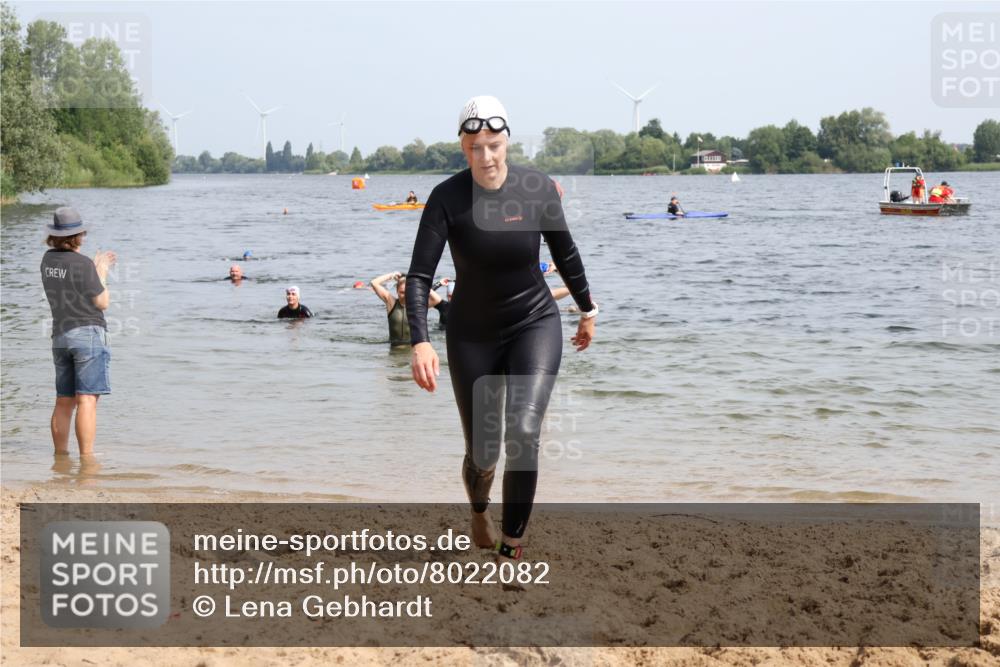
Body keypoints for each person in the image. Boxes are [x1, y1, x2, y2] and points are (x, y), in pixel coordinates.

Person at [406, 95, 597, 560]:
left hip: (534, 321)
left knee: (525, 430)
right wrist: (420, 341)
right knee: (483, 451)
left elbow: (565, 252)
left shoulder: (537, 189)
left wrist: (587, 310)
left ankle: (512, 544)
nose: (485, 157)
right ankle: (478, 508)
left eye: (493, 145)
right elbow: (419, 277)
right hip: (471, 333)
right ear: (462, 148)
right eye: (474, 147)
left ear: (507, 141)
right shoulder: (447, 198)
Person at [39, 207, 117, 459]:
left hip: (60, 335)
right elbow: (102, 302)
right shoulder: (83, 264)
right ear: (79, 235)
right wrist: (101, 272)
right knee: (87, 400)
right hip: (87, 334)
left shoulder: (47, 260)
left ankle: (60, 458)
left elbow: (69, 279)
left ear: (54, 235)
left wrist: (90, 270)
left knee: (64, 400)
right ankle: (87, 460)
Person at [371, 271, 442, 347]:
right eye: (402, 292)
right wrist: (391, 275)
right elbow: (374, 283)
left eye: (407, 292)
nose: (405, 295)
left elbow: (437, 300)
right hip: (394, 350)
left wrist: (421, 285)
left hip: (411, 349)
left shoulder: (417, 306)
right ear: (397, 291)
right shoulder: (391, 303)